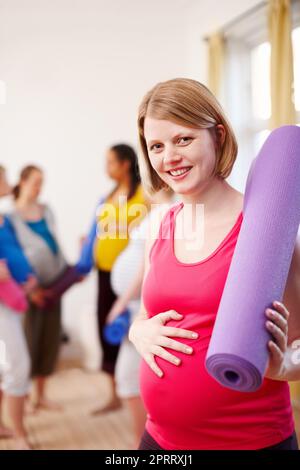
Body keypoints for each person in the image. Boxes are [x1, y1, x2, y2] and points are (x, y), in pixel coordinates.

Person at [129, 78, 300, 450]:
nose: (168, 157)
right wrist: (136, 332)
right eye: (156, 146)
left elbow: (297, 343)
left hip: (251, 440)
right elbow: (146, 312)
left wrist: (286, 366)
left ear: (217, 136)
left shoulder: (267, 232)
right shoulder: (161, 225)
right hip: (160, 439)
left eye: (183, 139)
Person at [80, 144, 148, 413]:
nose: (106, 167)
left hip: (134, 281)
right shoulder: (107, 197)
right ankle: (115, 393)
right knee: (105, 329)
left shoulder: (144, 196)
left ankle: (139, 392)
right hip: (104, 274)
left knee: (133, 333)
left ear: (125, 164)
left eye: (110, 162)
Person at [107, 188, 174, 448]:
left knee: (128, 376)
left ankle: (144, 443)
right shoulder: (155, 212)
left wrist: (120, 303)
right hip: (136, 305)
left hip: (142, 305)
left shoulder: (166, 212)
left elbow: (146, 269)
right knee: (129, 376)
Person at [10, 165, 67, 412]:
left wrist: (69, 272)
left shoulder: (47, 210)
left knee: (49, 340)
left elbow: (55, 242)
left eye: (42, 182)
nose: (39, 187)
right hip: (29, 290)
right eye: (35, 181)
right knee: (29, 340)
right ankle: (23, 398)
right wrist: (29, 288)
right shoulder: (11, 217)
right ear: (22, 182)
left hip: (54, 285)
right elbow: (13, 255)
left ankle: (40, 396)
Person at [0, 165, 35, 449]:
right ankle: (21, 433)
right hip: (2, 303)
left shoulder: (5, 217)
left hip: (11, 299)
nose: (8, 183)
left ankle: (2, 425)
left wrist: (25, 278)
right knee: (19, 365)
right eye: (3, 178)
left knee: (5, 367)